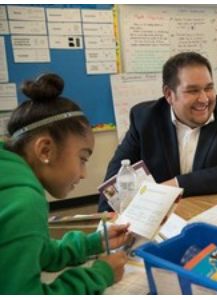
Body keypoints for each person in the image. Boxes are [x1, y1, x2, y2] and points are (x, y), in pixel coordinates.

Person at [0, 74, 131, 294]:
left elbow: (37, 252)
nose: (83, 174)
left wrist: (91, 244)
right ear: (45, 150)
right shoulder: (24, 203)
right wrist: (99, 274)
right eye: (82, 158)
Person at [98, 52, 217, 212]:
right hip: (163, 214)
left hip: (214, 212)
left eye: (208, 88)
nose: (204, 99)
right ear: (169, 94)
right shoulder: (145, 118)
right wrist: (107, 219)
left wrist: (176, 184)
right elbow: (115, 179)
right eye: (193, 91)